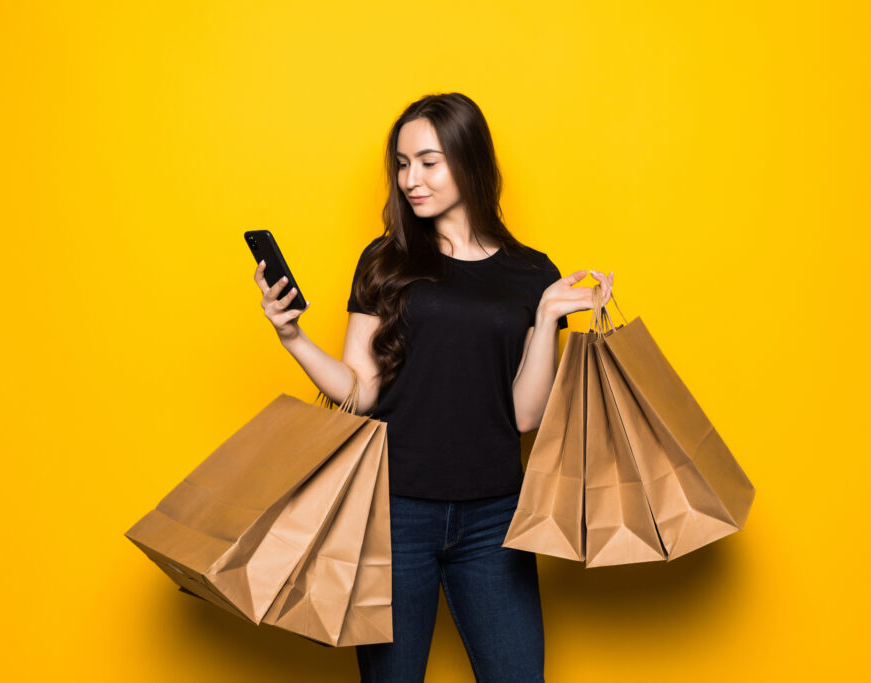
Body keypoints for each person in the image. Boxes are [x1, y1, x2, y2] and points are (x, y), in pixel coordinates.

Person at [252, 92, 613, 682]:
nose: (410, 179)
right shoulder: (384, 262)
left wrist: (547, 318)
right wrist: (292, 337)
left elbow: (525, 417)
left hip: (496, 517)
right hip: (394, 515)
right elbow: (359, 394)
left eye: (428, 161)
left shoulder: (531, 273)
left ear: (469, 161)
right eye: (402, 163)